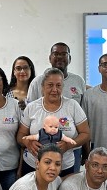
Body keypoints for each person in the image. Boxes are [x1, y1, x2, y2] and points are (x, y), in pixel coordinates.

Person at [17, 68, 90, 178]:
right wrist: (28, 143)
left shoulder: (72, 105)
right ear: (42, 87)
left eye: (58, 85)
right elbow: (20, 136)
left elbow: (86, 134)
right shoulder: (32, 107)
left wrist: (69, 144)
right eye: (50, 85)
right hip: (34, 165)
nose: (54, 89)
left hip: (64, 166)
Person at [26, 43, 87, 172]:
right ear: (50, 58)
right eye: (56, 54)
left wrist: (77, 146)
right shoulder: (37, 82)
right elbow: (30, 112)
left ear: (70, 58)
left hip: (71, 150)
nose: (59, 57)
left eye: (64, 54)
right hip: (39, 154)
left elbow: (84, 123)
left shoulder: (78, 81)